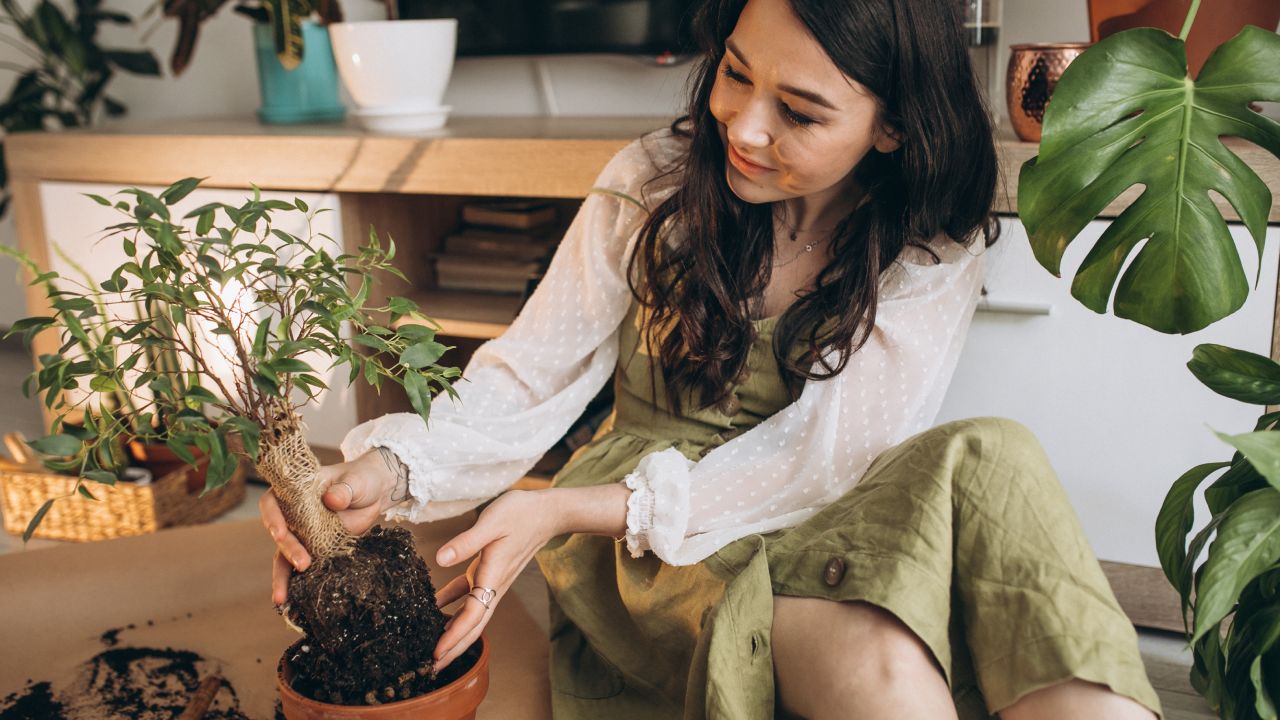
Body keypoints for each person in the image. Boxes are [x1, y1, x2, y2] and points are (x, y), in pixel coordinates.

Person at [260, 0, 1163, 717]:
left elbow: (825, 460)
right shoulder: (652, 182)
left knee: (995, 454)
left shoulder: (924, 240)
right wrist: (387, 468)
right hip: (660, 545)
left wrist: (555, 505)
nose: (745, 125)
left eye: (800, 112)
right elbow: (528, 380)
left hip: (833, 509)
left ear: (890, 128)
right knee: (881, 668)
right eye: (736, 72)